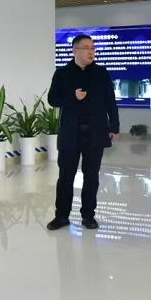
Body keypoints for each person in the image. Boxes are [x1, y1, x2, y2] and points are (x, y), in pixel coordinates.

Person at [46, 34, 120, 231]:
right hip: (70, 133)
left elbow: (110, 101)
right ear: (75, 50)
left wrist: (114, 126)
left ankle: (88, 216)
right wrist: (73, 96)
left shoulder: (101, 73)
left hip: (95, 132)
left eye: (93, 48)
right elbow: (53, 99)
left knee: (92, 176)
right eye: (86, 48)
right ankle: (61, 216)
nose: (91, 52)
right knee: (66, 176)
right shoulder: (62, 73)